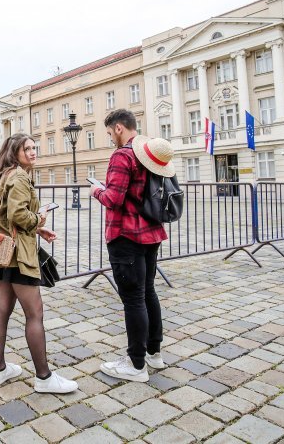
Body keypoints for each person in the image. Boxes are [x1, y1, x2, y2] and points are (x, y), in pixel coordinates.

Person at [0, 133, 78, 394]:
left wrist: (37, 231)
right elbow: (18, 215)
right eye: (28, 149)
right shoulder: (21, 178)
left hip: (2, 254)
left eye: (35, 148)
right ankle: (44, 377)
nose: (34, 152)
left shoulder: (6, 175)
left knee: (2, 309)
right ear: (16, 152)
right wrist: (39, 219)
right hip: (18, 257)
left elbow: (6, 218)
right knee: (34, 313)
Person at [90, 109, 173, 382]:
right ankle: (154, 353)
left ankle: (136, 365)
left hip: (126, 235)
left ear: (118, 128)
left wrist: (97, 191)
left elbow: (113, 198)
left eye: (109, 132)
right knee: (148, 291)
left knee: (133, 299)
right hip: (151, 233)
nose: (110, 138)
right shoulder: (150, 154)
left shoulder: (122, 155)